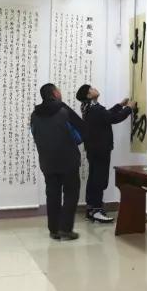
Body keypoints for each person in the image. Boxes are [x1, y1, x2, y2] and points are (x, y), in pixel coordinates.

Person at [30, 83, 85, 241]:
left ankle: (54, 230)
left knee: (52, 194)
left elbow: (34, 134)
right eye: (58, 90)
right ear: (54, 93)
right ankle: (65, 229)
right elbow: (79, 132)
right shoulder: (63, 111)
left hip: (47, 162)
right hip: (68, 161)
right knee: (71, 193)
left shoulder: (34, 115)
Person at [75, 84, 135, 223]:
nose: (94, 89)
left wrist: (120, 105)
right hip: (101, 149)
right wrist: (129, 108)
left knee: (94, 178)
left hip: (93, 149)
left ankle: (91, 209)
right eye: (91, 89)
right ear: (89, 95)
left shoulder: (89, 108)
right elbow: (113, 118)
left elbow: (106, 115)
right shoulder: (95, 109)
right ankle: (97, 210)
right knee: (99, 179)